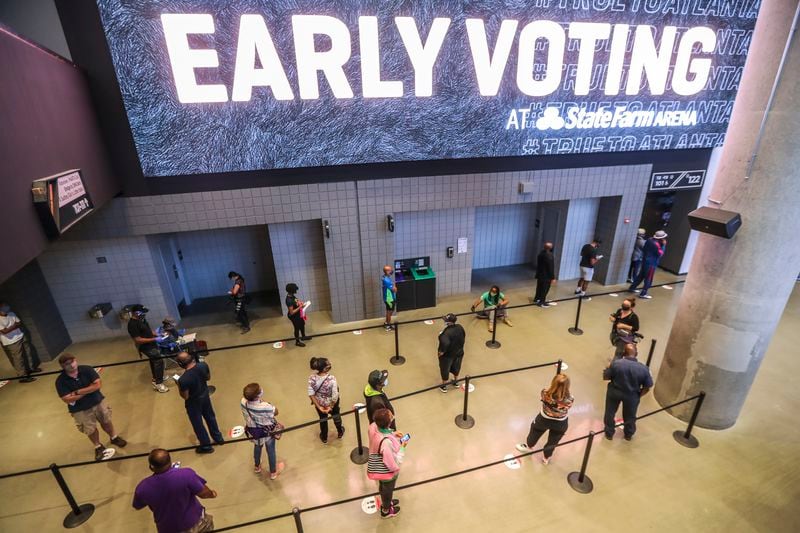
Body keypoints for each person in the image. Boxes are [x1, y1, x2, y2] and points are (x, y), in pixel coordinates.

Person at [55, 353, 127, 461]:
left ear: (76, 360)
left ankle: (114, 437)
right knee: (90, 429)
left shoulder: (87, 369)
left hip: (98, 402)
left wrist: (77, 392)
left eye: (73, 361)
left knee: (106, 421)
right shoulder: (60, 381)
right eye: (67, 364)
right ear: (62, 366)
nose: (71, 365)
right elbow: (67, 399)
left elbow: (98, 385)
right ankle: (98, 446)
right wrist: (89, 389)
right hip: (80, 409)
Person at [133, 448, 217, 533]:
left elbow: (137, 505)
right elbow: (204, 494)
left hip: (168, 528)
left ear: (151, 467)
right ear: (170, 462)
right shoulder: (186, 474)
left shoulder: (142, 487)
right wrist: (212, 494)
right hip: (194, 522)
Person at [515, 373, 573, 464]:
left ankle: (529, 447)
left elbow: (543, 399)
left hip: (544, 419)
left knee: (535, 431)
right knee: (553, 442)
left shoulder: (545, 392)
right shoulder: (570, 399)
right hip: (561, 423)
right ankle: (546, 458)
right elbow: (568, 407)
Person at [603, 344, 654, 441]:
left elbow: (606, 377)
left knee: (610, 412)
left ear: (623, 353)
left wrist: (608, 367)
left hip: (614, 392)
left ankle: (609, 433)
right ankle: (628, 434)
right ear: (636, 354)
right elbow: (648, 387)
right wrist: (638, 395)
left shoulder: (616, 363)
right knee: (630, 416)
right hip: (632, 396)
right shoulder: (644, 369)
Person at [175, 352, 224, 454]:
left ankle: (206, 446)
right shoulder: (203, 365)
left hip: (193, 402)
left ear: (180, 364)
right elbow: (208, 378)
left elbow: (185, 396)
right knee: (210, 417)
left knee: (198, 424)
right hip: (205, 396)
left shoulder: (183, 379)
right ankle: (218, 438)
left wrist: (178, 385)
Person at [241, 382, 284, 479]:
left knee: (257, 446)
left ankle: (257, 466)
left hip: (254, 431)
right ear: (258, 395)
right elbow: (276, 412)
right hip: (267, 432)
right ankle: (273, 472)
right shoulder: (265, 406)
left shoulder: (243, 402)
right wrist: (266, 403)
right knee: (271, 450)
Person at [367, 408, 403, 519]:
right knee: (388, 490)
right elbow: (392, 462)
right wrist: (402, 446)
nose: (393, 417)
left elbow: (382, 432)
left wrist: (392, 434)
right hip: (388, 473)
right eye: (391, 417)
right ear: (388, 423)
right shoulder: (386, 443)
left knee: (383, 487)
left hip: (378, 464)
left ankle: (386, 501)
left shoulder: (373, 426)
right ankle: (386, 509)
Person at [127, 305, 169, 393]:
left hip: (151, 343)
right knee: (158, 360)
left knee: (154, 360)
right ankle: (159, 384)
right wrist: (154, 339)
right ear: (136, 313)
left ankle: (157, 377)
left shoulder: (142, 320)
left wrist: (157, 334)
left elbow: (148, 331)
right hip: (145, 346)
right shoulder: (132, 324)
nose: (144, 314)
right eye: (143, 312)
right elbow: (138, 340)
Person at [0, 301, 41, 382]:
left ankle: (30, 369)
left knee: (27, 352)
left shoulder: (11, 313)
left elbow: (19, 323)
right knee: (18, 358)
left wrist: (10, 328)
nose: (6, 307)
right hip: (10, 341)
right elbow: (4, 331)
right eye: (4, 306)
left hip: (20, 335)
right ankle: (22, 376)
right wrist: (14, 326)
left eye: (6, 305)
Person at [308, 357, 345, 444]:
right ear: (324, 368)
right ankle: (340, 432)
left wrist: (319, 407)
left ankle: (324, 437)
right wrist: (331, 407)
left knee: (323, 419)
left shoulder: (312, 378)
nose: (330, 364)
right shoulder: (332, 379)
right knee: (336, 416)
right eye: (328, 364)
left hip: (320, 404)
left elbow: (311, 394)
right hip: (332, 404)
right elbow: (335, 395)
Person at [629, 230, 667, 299]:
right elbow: (660, 254)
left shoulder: (649, 240)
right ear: (661, 238)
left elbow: (644, 249)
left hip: (645, 261)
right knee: (648, 278)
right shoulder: (657, 244)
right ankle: (643, 293)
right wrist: (664, 245)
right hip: (651, 264)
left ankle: (632, 287)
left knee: (640, 276)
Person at [437, 313, 466, 393]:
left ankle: (444, 386)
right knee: (457, 367)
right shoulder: (460, 327)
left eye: (445, 320)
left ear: (448, 322)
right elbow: (463, 336)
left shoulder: (445, 333)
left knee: (445, 369)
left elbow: (444, 345)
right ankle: (456, 382)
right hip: (459, 353)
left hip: (448, 356)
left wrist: (440, 354)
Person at [285, 283, 311, 347]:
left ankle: (303, 337)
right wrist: (300, 307)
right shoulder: (289, 300)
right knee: (297, 328)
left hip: (298, 313)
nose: (296, 290)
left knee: (302, 324)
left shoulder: (292, 296)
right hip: (293, 316)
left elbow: (296, 301)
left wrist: (300, 303)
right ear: (292, 290)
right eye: (295, 289)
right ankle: (297, 342)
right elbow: (291, 312)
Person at [533, 242, 556, 307]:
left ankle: (537, 298)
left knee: (539, 287)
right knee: (545, 289)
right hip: (546, 276)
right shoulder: (549, 255)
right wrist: (553, 277)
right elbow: (550, 267)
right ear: (550, 248)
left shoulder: (541, 253)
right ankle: (542, 302)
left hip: (540, 274)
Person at [382, 265, 397, 331]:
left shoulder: (384, 277)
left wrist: (393, 286)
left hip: (389, 298)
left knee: (390, 311)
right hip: (389, 298)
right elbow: (394, 290)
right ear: (387, 271)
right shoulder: (386, 280)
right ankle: (388, 325)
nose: (392, 271)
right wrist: (394, 287)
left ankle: (386, 322)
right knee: (389, 311)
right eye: (390, 270)